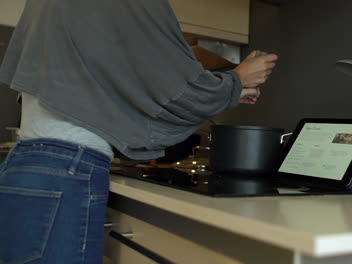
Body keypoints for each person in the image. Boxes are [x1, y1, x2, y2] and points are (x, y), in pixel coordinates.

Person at [0, 0, 278, 263]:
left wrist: (227, 89)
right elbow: (173, 83)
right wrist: (236, 81)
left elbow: (115, 75)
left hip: (26, 164)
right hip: (67, 171)